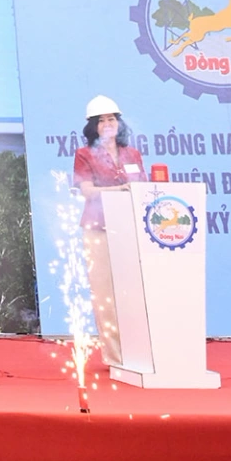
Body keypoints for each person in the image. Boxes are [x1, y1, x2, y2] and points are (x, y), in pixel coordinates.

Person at [72, 95, 142, 368]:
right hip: (97, 228)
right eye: (101, 121)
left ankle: (137, 350)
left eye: (111, 119)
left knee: (132, 292)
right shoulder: (85, 154)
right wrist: (118, 190)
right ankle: (115, 356)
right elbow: (87, 191)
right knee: (105, 294)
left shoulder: (132, 154)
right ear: (93, 127)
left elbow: (142, 187)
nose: (107, 124)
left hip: (129, 228)